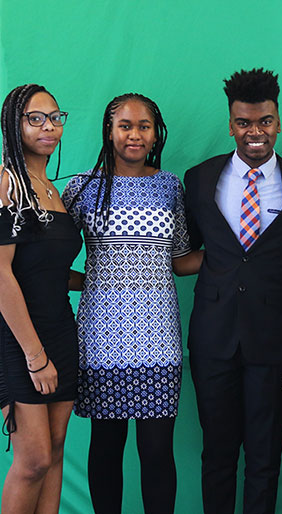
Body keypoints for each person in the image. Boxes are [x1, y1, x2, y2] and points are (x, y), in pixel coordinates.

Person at [184, 68, 282, 514]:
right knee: (217, 455)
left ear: (278, 122)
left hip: (274, 342)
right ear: (230, 125)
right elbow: (185, 252)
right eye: (244, 123)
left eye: (264, 121)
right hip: (212, 340)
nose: (255, 132)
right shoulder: (200, 179)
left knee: (264, 459)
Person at [62, 93, 201, 513]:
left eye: (144, 126)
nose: (135, 134)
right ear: (109, 131)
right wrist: (94, 282)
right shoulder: (81, 187)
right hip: (101, 339)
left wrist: (236, 253)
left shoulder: (169, 186)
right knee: (106, 446)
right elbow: (50, 260)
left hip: (159, 338)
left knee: (157, 450)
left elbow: (180, 261)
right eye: (125, 125)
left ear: (156, 133)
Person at [0, 84, 81, 514]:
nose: (49, 126)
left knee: (54, 450)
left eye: (55, 116)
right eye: (36, 118)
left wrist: (102, 282)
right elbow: (1, 276)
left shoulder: (49, 187)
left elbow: (47, 271)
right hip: (20, 339)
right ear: (14, 125)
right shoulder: (6, 184)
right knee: (32, 460)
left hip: (62, 332)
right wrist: (35, 356)